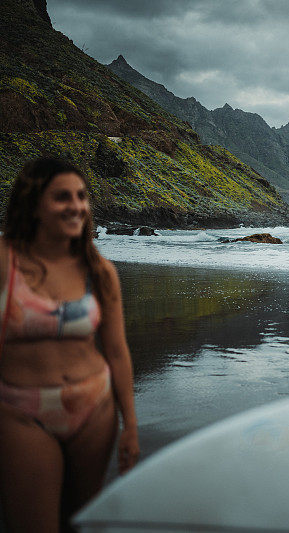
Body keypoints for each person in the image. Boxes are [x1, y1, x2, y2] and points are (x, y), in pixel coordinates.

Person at [0, 158, 140, 532]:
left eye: (81, 196)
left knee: (80, 524)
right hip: (22, 413)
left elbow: (116, 351)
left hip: (94, 410)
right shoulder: (5, 263)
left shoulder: (98, 269)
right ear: (34, 203)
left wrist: (130, 425)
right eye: (62, 197)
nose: (76, 206)